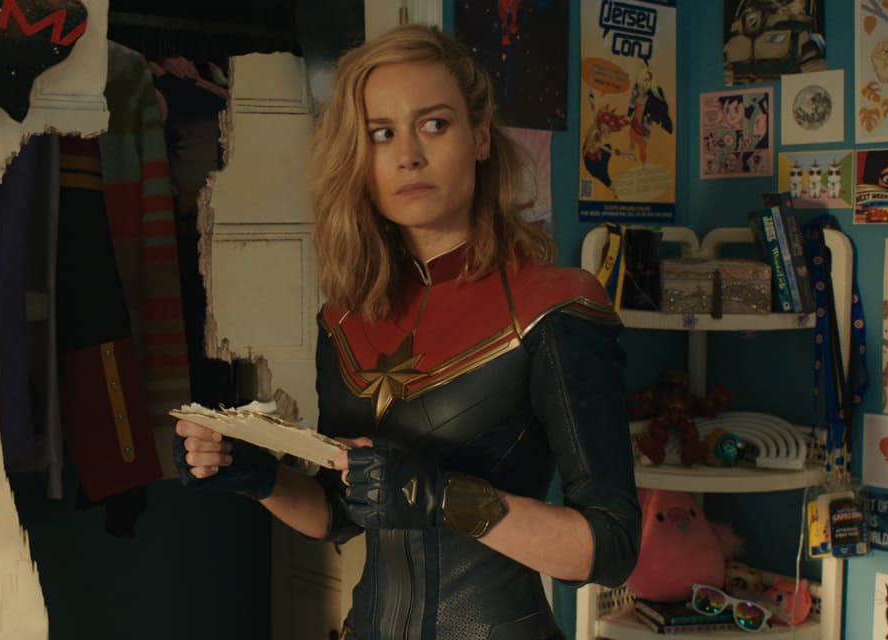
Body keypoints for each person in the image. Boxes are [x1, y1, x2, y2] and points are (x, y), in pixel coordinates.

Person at [174, 24, 640, 640]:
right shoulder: (344, 317)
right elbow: (341, 513)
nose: (408, 155)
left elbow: (611, 546)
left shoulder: (554, 305)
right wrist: (258, 477)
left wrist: (442, 497)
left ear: (480, 137)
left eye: (435, 124)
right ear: (359, 158)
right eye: (381, 133)